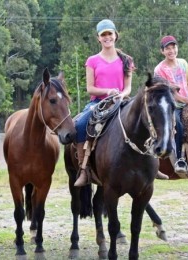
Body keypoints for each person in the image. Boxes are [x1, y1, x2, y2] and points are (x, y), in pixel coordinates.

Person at [73, 19, 135, 187]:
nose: (107, 37)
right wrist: (108, 91)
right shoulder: (92, 60)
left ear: (116, 35)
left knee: (144, 120)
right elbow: (90, 88)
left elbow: (128, 87)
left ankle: (151, 164)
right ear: (98, 38)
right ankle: (84, 169)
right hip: (98, 102)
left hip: (121, 101)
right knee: (79, 125)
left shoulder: (127, 60)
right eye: (103, 35)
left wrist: (121, 95)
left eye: (110, 34)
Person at [154, 35, 188, 176]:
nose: (171, 51)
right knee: (178, 124)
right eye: (167, 48)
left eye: (173, 47)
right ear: (162, 51)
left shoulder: (183, 63)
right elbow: (174, 95)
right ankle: (180, 159)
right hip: (170, 105)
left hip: (187, 101)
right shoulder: (160, 70)